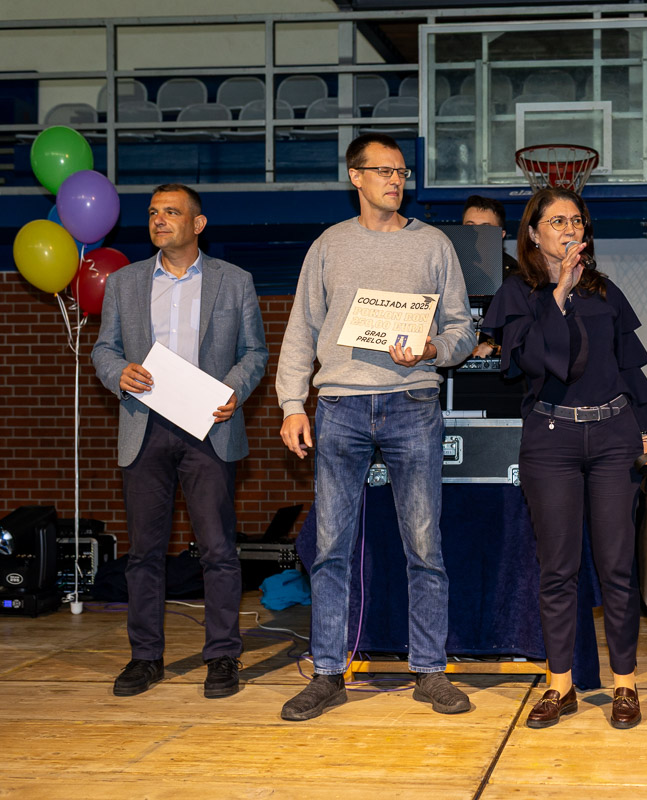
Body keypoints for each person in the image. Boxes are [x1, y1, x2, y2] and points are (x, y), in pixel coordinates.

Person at [275, 133, 475, 721]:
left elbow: (462, 330)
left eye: (402, 172)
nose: (396, 180)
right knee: (330, 549)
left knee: (425, 546)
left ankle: (430, 671)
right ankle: (328, 673)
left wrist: (433, 348)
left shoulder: (434, 244)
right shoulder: (329, 246)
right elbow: (301, 329)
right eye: (384, 170)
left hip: (413, 403)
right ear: (355, 177)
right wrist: (292, 404)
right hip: (340, 406)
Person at [481, 187, 647, 730]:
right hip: (552, 439)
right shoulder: (517, 293)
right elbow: (533, 363)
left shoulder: (604, 290)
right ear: (533, 232)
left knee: (617, 567)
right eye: (557, 220)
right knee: (558, 570)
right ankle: (559, 686)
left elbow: (628, 367)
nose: (569, 228)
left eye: (576, 220)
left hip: (614, 436)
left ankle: (625, 683)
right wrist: (558, 293)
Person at [92, 183, 268, 699]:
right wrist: (118, 373)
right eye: (153, 212)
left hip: (208, 427)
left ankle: (222, 657)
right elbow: (104, 349)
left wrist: (234, 389)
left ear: (198, 224)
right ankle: (145, 657)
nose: (159, 220)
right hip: (144, 427)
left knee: (218, 550)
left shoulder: (234, 280)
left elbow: (255, 352)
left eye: (171, 212)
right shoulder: (124, 282)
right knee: (144, 553)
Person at [463, 195, 518, 359]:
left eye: (485, 228)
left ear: (501, 234)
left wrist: (493, 344)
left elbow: (520, 329)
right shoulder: (445, 271)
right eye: (469, 227)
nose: (476, 233)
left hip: (496, 368)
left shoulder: (517, 276)